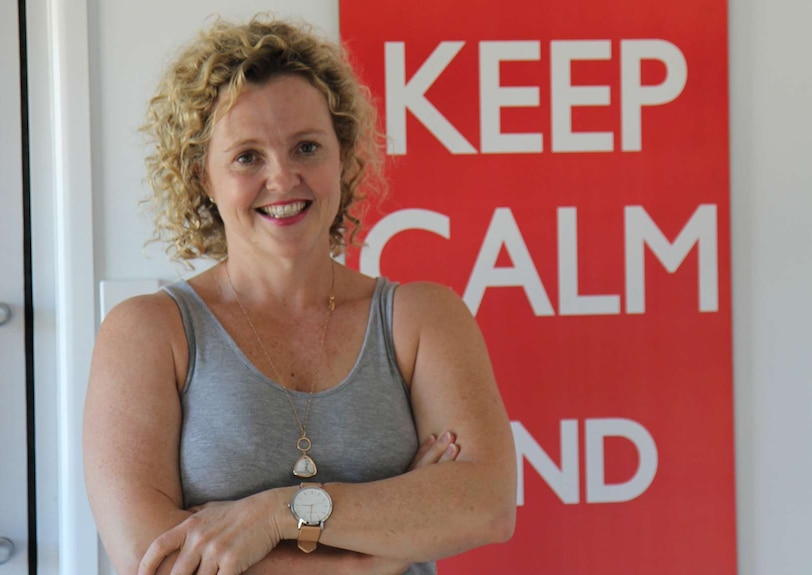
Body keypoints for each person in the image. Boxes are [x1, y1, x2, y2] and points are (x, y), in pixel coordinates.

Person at [83, 15, 517, 575]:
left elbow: (486, 506)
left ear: (342, 157)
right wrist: (371, 557)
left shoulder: (422, 317)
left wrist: (278, 515)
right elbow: (155, 561)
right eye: (247, 157)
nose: (283, 178)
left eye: (306, 147)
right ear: (203, 178)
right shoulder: (148, 333)